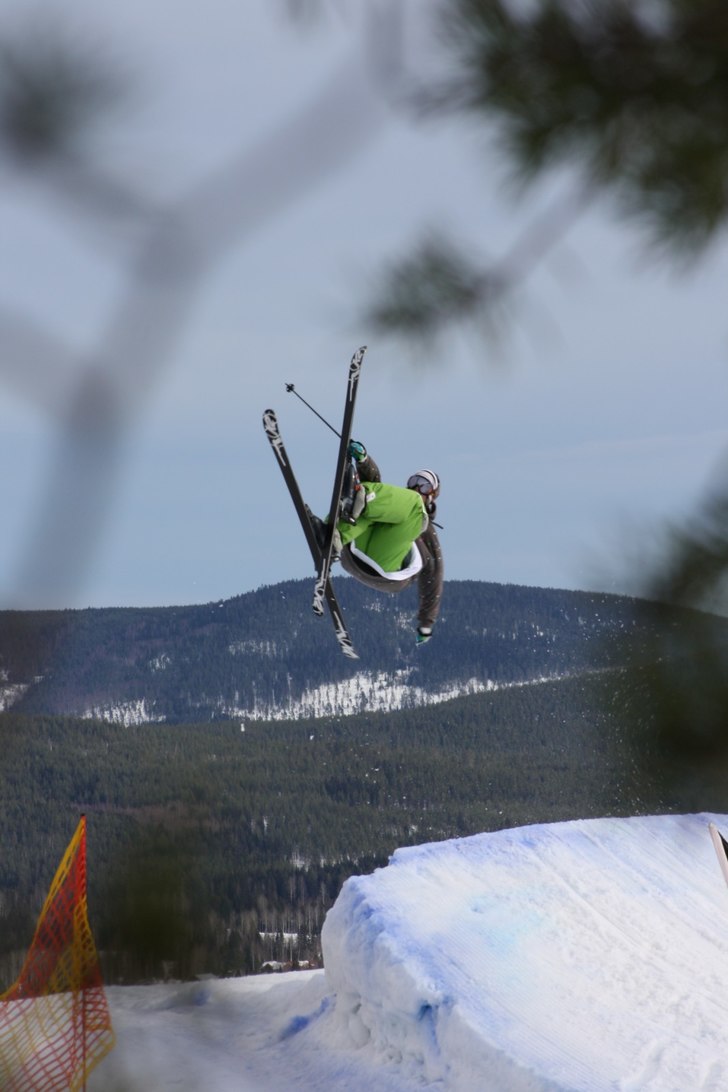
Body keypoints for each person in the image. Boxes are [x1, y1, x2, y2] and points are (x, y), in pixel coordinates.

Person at [311, 442, 444, 644]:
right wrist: (364, 460)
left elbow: (434, 575)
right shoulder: (394, 505)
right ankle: (332, 537)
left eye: (425, 485)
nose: (418, 487)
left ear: (432, 496)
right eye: (414, 481)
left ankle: (357, 499)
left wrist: (426, 623)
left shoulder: (422, 523)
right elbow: (375, 483)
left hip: (388, 571)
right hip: (354, 555)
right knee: (370, 504)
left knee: (405, 505)